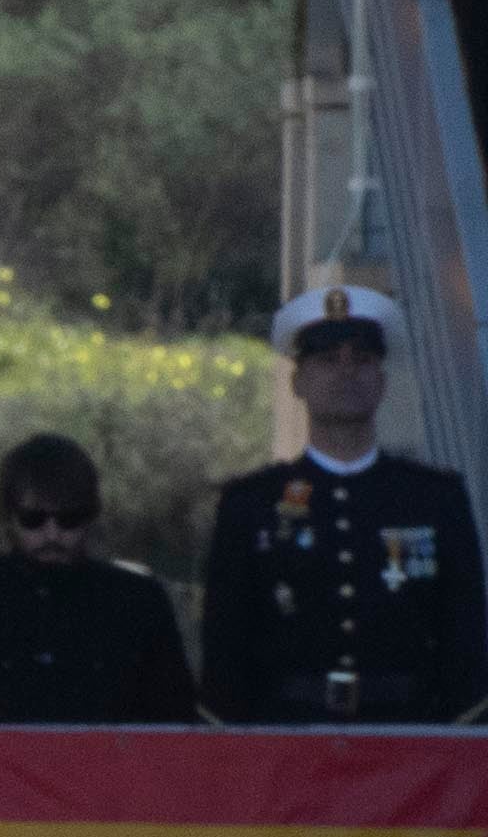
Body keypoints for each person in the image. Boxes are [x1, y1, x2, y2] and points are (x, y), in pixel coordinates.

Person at [198, 273, 482, 720]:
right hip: (288, 736)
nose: (347, 373)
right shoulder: (250, 504)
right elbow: (225, 646)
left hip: (408, 742)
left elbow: (465, 638)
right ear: (298, 382)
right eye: (328, 360)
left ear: (382, 380)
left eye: (362, 359)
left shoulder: (434, 499)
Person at [0, 429, 193, 721]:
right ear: (8, 517)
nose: (52, 534)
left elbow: (172, 717)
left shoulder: (136, 601)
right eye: (33, 519)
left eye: (69, 519)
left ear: (90, 517)